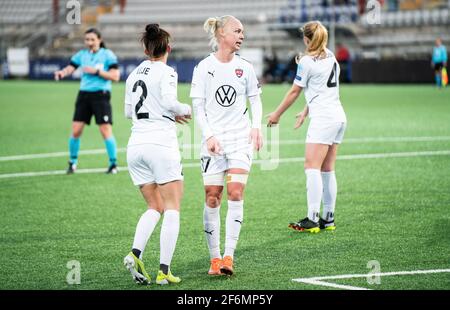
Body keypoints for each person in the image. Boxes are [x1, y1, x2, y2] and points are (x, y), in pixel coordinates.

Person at [190, 15, 263, 276]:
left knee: (235, 192)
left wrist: (256, 127)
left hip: (240, 139)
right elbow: (197, 107)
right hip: (213, 141)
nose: (242, 36)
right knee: (212, 196)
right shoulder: (203, 67)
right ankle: (214, 259)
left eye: (243, 31)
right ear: (221, 33)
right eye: (237, 31)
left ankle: (229, 257)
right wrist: (209, 135)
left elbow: (254, 99)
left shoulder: (246, 66)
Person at [122, 24, 191, 285]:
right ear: (168, 49)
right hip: (160, 145)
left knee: (155, 206)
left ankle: (135, 253)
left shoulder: (133, 74)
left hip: (135, 146)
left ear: (145, 48)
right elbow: (170, 102)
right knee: (172, 207)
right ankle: (164, 271)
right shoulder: (167, 71)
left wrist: (167, 113)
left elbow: (129, 112)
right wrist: (187, 109)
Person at [266, 21, 347, 233]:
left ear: (306, 39)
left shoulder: (307, 62)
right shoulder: (331, 55)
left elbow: (294, 91)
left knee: (312, 167)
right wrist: (305, 111)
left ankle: (312, 218)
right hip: (338, 117)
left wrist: (276, 114)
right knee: (327, 169)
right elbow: (322, 89)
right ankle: (328, 219)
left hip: (323, 120)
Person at [54, 28, 120, 174]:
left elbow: (116, 77)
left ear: (99, 40)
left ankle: (113, 164)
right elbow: (71, 67)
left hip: (101, 95)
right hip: (84, 95)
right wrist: (61, 73)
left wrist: (97, 71)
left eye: (92, 39)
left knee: (105, 130)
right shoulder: (82, 55)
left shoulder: (107, 55)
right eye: (87, 40)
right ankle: (72, 163)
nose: (89, 42)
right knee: (76, 130)